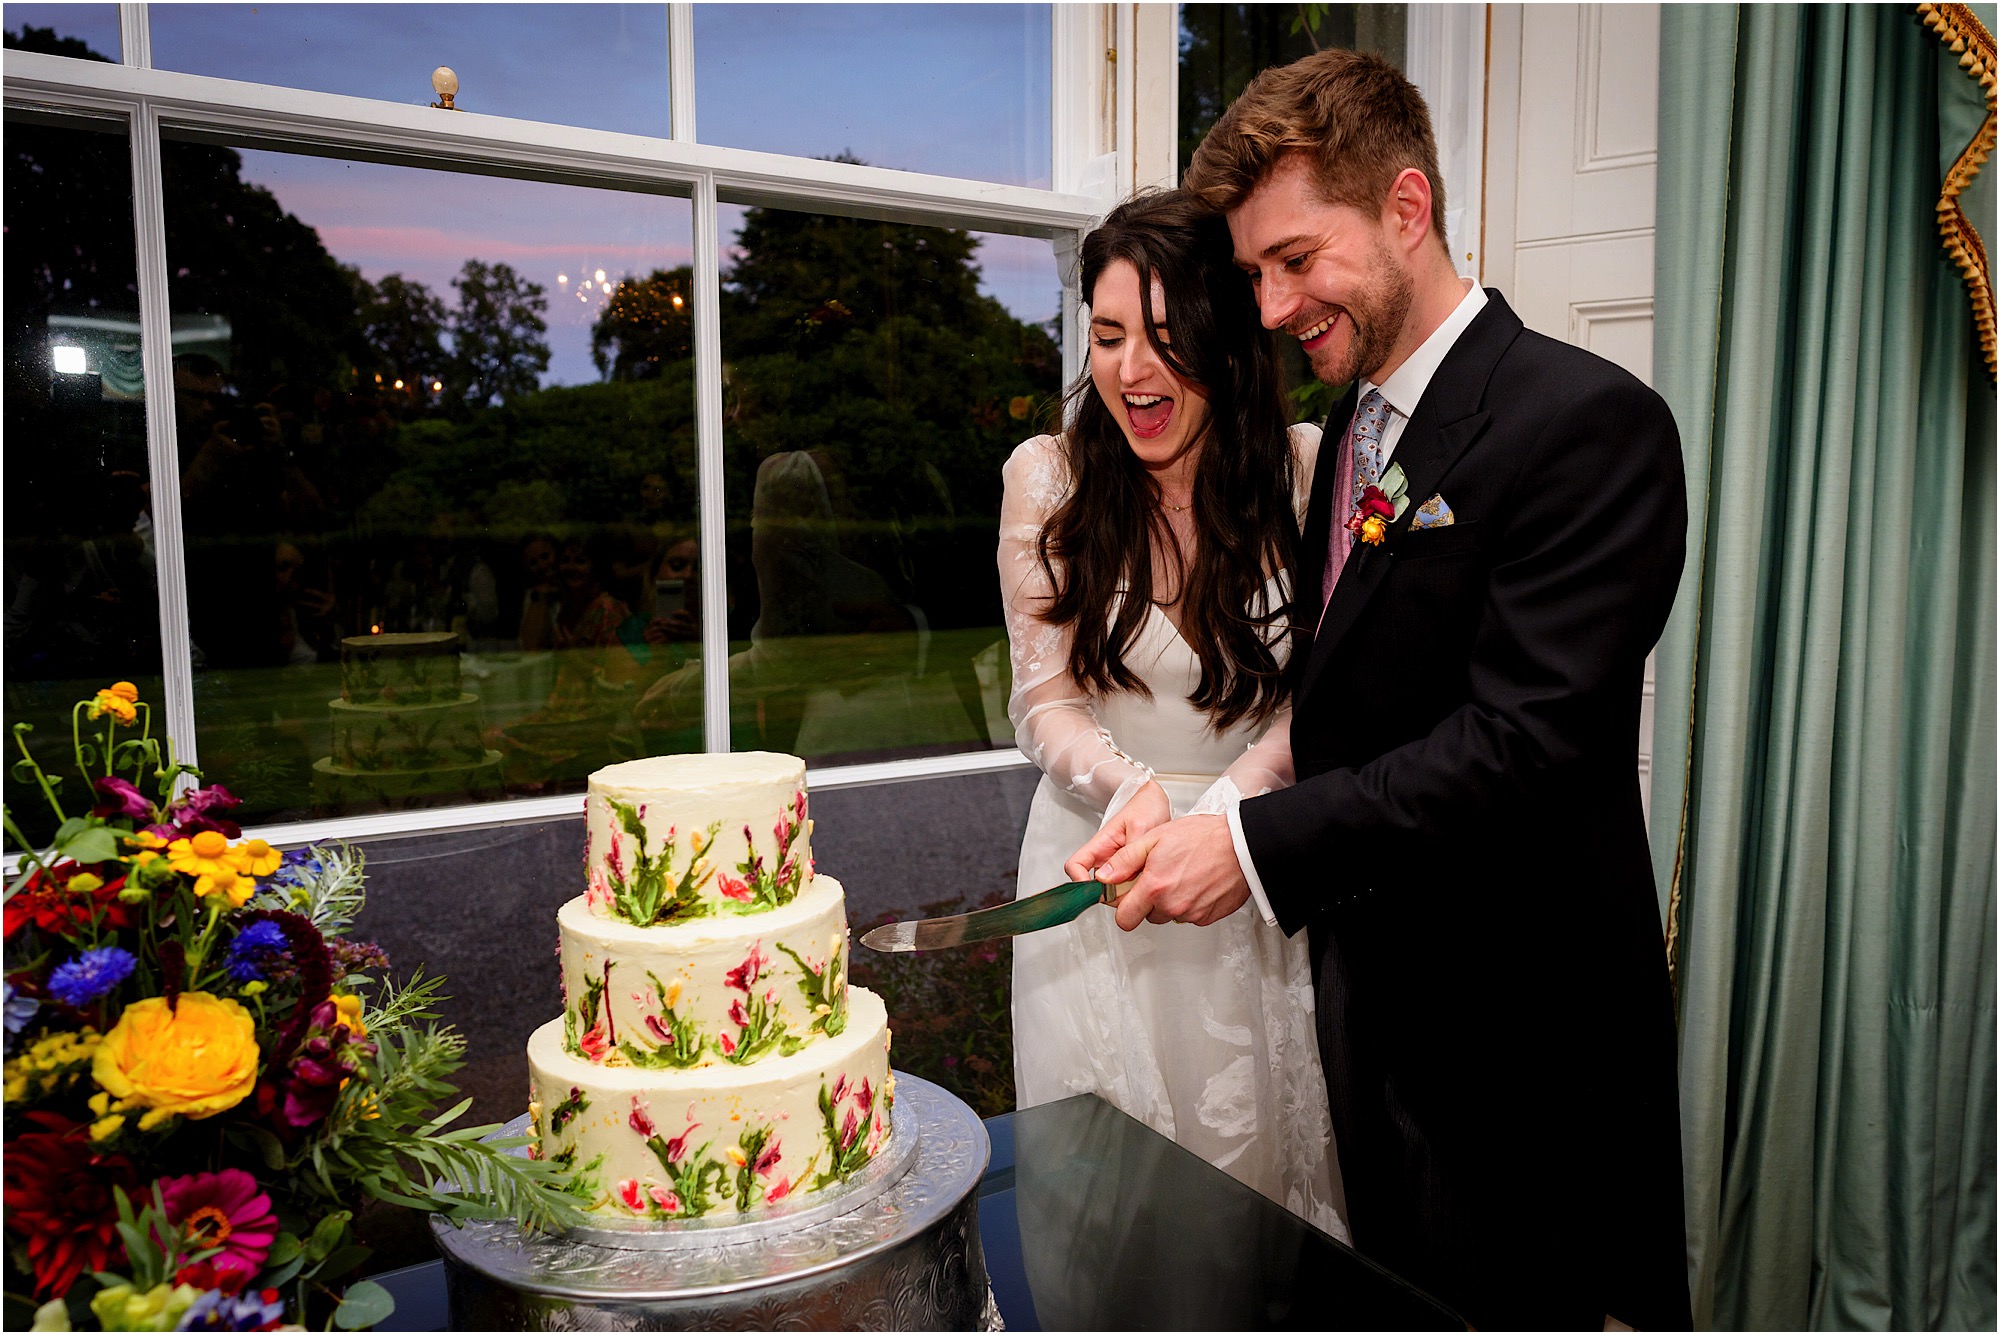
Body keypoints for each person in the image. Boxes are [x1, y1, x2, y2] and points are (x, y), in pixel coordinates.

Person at [1072, 51, 1692, 1331]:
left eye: (1296, 260)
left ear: (1406, 209)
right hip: (1370, 1020)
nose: (1269, 305)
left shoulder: (1587, 422)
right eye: (1253, 275)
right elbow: (1337, 705)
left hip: (1519, 1045)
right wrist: (1208, 807)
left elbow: (1519, 744)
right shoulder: (1353, 434)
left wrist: (1241, 849)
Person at [1002, 189, 1344, 1237]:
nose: (1130, 372)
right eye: (1106, 337)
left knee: (1250, 1198)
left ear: (1230, 344)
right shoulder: (1046, 479)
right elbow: (1044, 697)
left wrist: (1233, 812)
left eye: (1164, 339)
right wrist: (1127, 786)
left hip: (1251, 869)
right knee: (1107, 1217)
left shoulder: (1304, 470)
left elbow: (1322, 697)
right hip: (1096, 873)